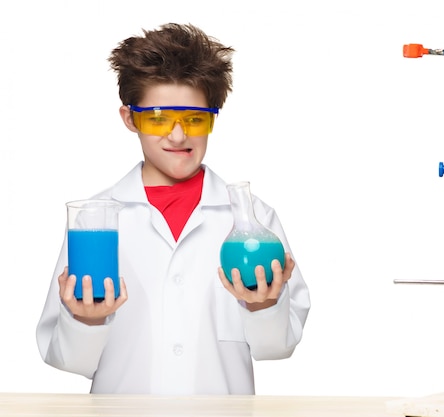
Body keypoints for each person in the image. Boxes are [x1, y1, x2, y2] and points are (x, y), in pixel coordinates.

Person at [36, 23, 310, 395]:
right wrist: (86, 322)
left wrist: (263, 307)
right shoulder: (94, 221)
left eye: (195, 119)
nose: (178, 135)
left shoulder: (255, 220)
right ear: (130, 119)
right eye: (159, 118)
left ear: (213, 118)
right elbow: (66, 361)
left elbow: (278, 348)